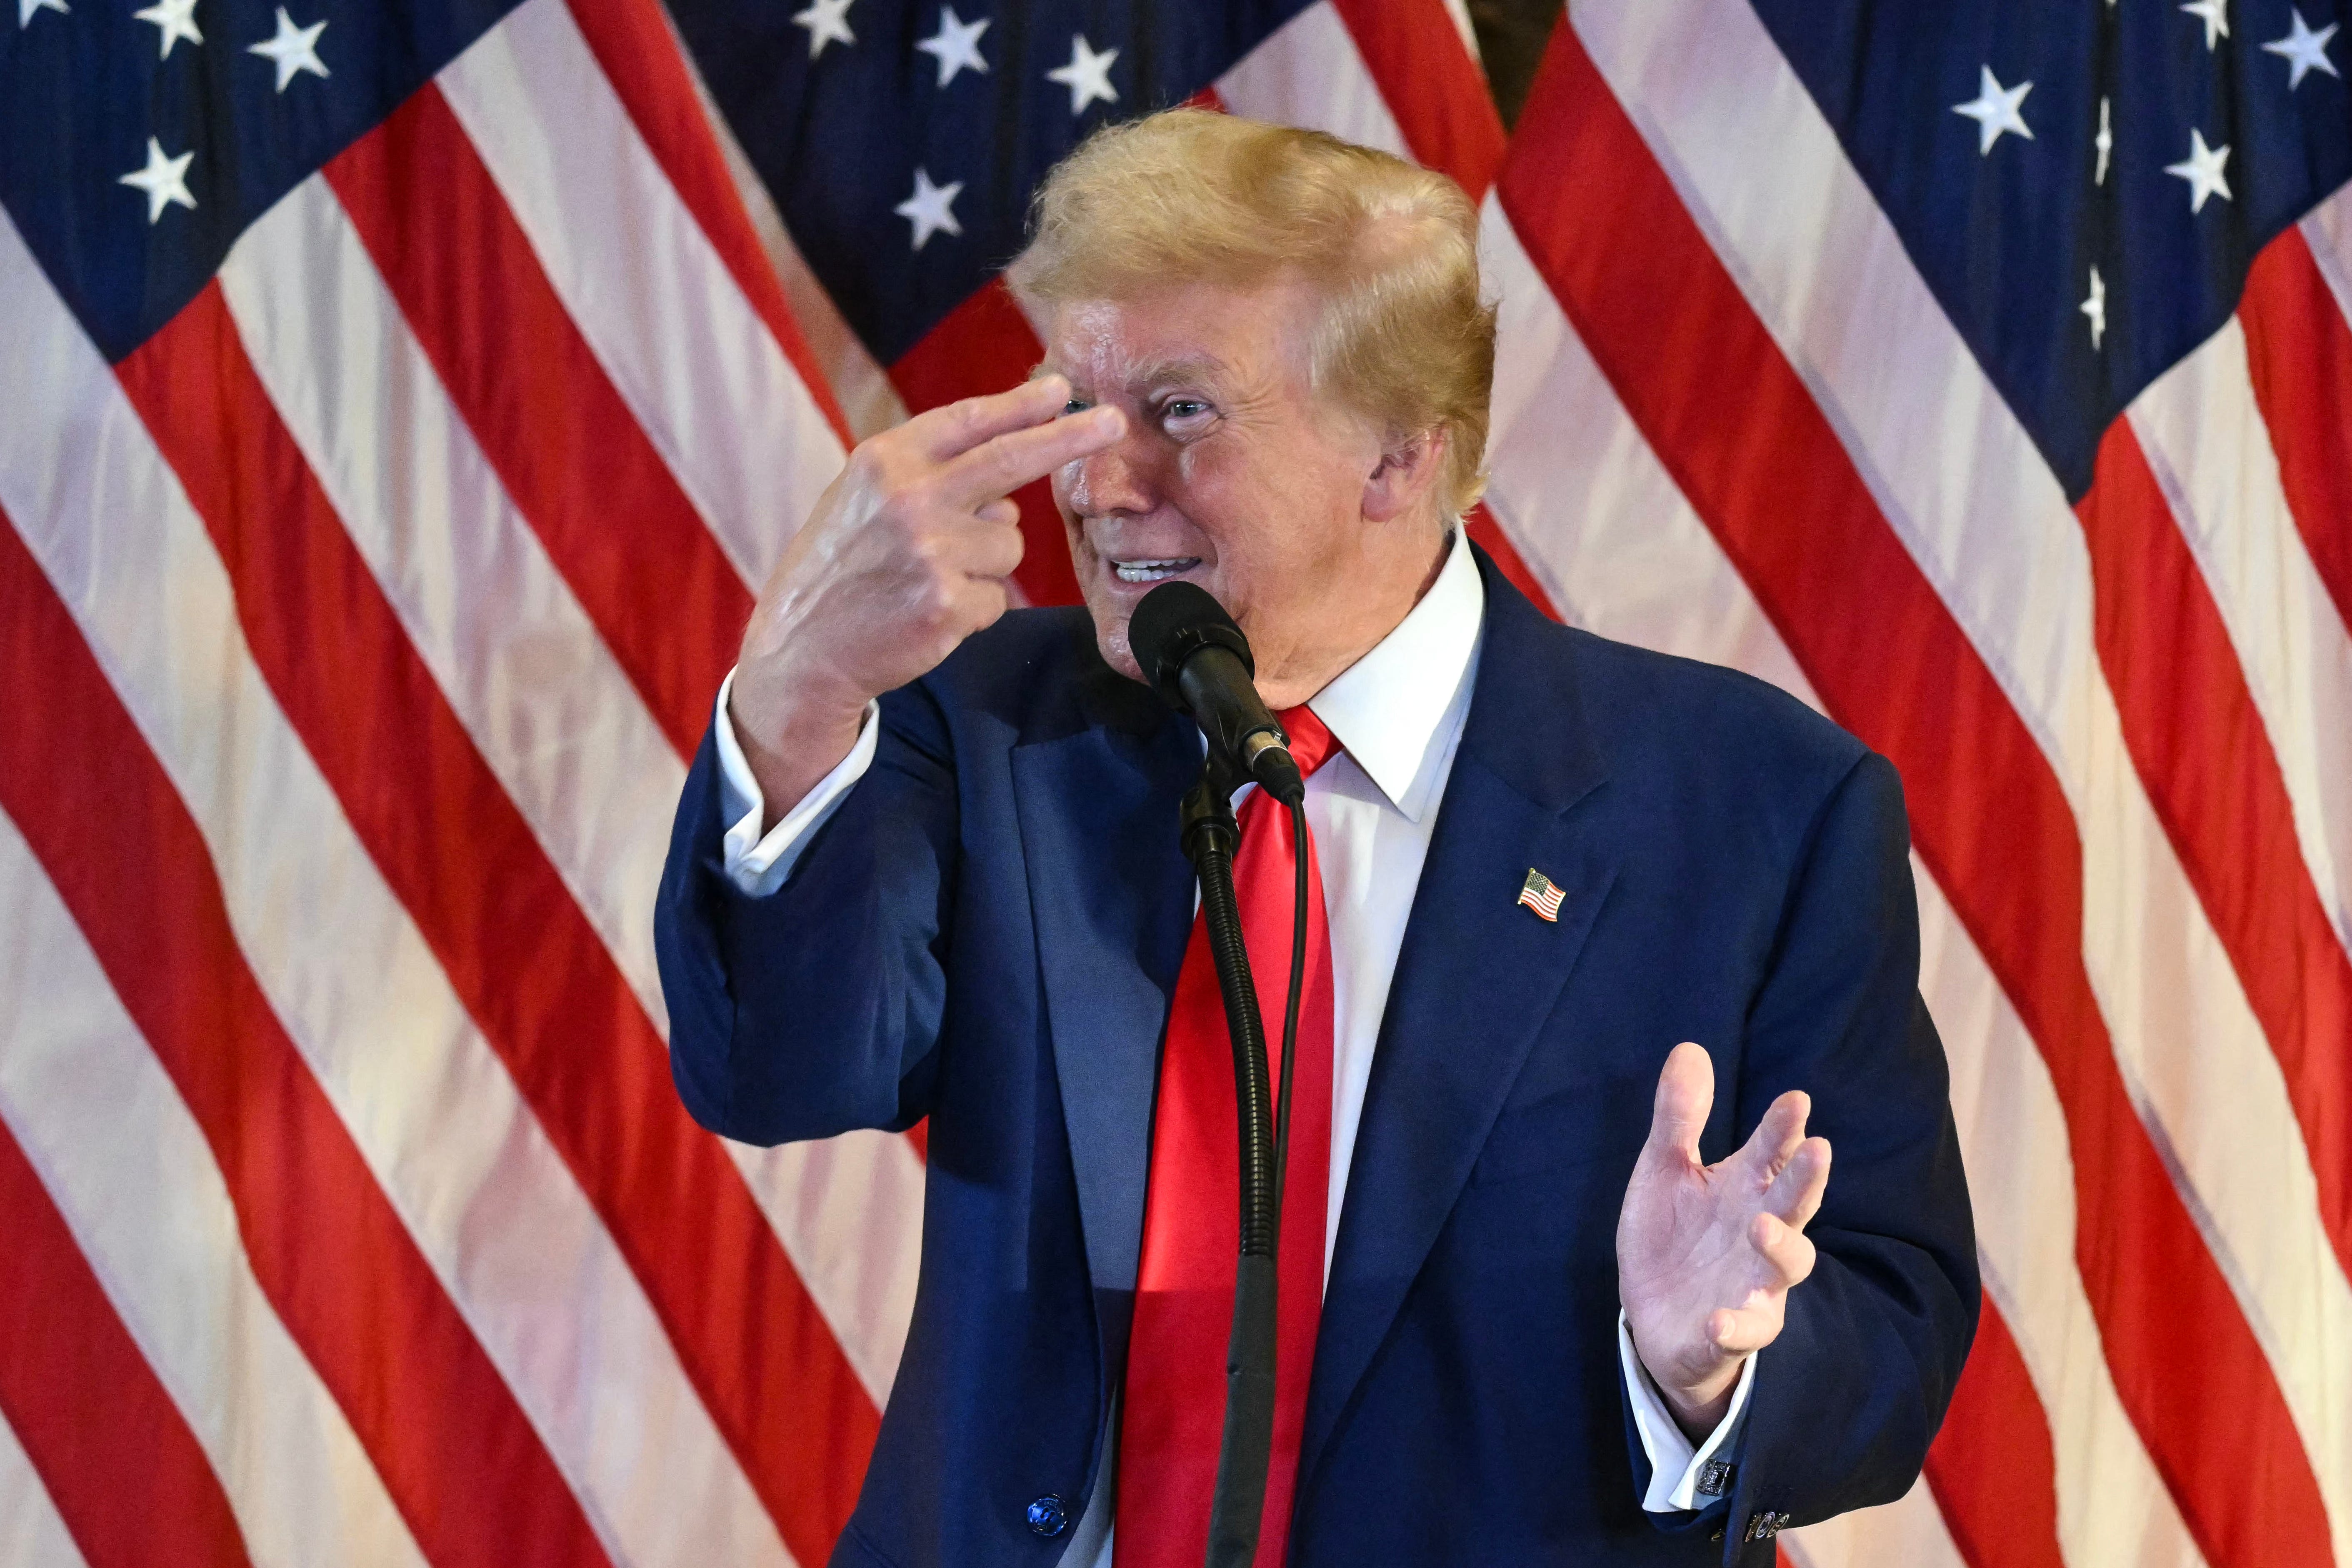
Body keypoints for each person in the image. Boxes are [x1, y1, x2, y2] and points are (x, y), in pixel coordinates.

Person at [656, 110, 1975, 1568]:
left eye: (1177, 412)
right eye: (1074, 410)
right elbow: (778, 1073)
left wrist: (1702, 1367)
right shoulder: (988, 725)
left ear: (1398, 456)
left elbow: (1893, 1326)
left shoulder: (1752, 809)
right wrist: (794, 693)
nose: (1094, 488)